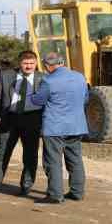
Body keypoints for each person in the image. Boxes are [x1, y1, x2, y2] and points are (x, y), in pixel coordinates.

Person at [30, 52, 88, 204]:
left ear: (48, 66)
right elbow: (86, 98)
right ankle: (77, 192)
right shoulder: (79, 77)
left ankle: (55, 195)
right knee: (75, 160)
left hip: (55, 127)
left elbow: (39, 101)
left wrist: (32, 95)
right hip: (76, 125)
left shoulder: (48, 81)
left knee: (53, 161)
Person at [0, 50, 44, 196]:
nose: (29, 66)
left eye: (32, 63)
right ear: (19, 63)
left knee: (30, 154)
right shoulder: (6, 75)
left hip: (32, 120)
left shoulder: (42, 78)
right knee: (3, 152)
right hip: (9, 118)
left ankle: (26, 185)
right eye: (25, 63)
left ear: (36, 63)